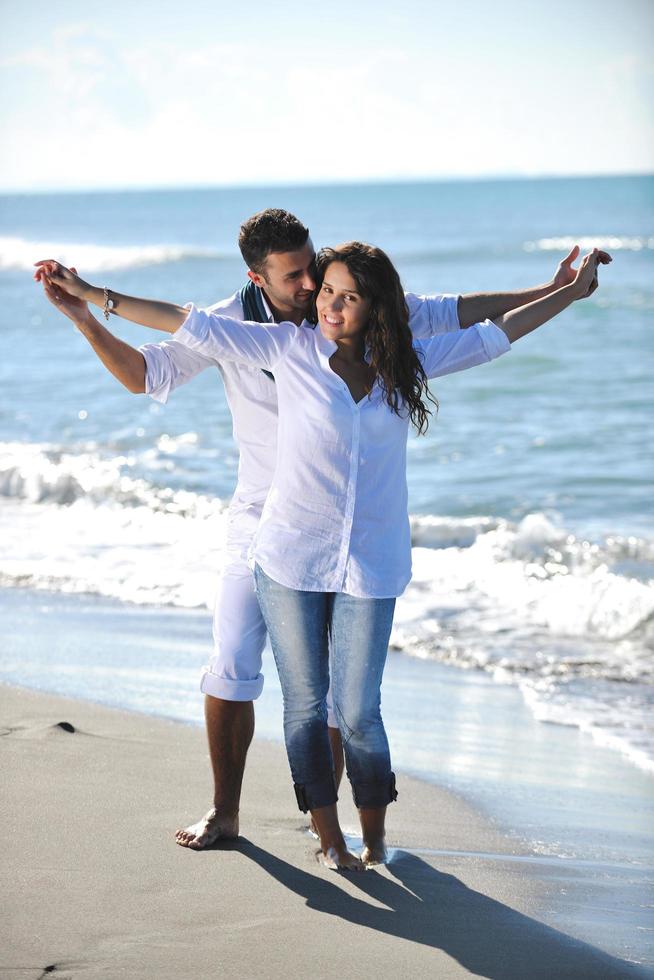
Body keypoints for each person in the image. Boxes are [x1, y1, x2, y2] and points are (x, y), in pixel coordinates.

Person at [34, 212, 609, 852]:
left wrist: (554, 289)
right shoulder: (250, 331)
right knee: (235, 666)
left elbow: (467, 320)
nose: (314, 287)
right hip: (266, 522)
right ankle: (228, 812)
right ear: (257, 277)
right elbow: (151, 368)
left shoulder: (363, 320)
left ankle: (329, 824)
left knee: (345, 699)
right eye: (298, 275)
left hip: (355, 535)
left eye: (318, 269)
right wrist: (88, 311)